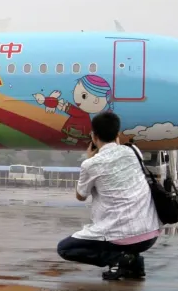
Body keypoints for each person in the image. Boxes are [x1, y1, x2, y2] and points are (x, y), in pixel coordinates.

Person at [57, 111, 162, 281]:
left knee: (64, 249)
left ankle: (119, 260)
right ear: (117, 134)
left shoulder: (91, 164)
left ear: (93, 135)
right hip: (150, 234)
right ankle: (132, 261)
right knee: (123, 232)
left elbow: (80, 196)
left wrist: (89, 158)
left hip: (121, 238)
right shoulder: (134, 151)